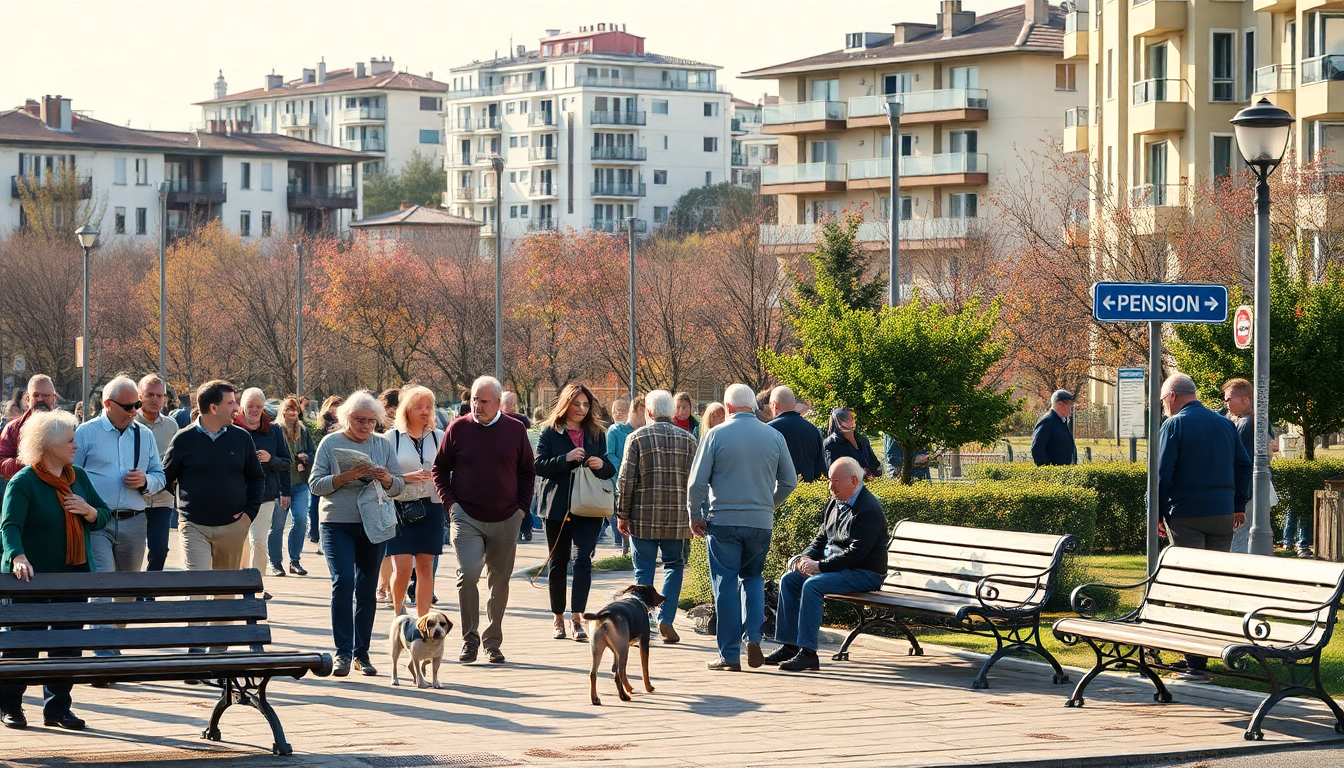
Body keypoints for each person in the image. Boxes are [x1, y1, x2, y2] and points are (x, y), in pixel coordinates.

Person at [0, 410, 111, 731]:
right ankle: (9, 704)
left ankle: (58, 708)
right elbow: (9, 527)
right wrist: (17, 556)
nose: (76, 446)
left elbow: (103, 515)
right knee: (24, 645)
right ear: (48, 446)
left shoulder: (78, 477)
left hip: (74, 574)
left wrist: (89, 511)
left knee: (68, 644)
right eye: (70, 441)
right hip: (30, 578)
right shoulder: (24, 482)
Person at [687, 383, 797, 671]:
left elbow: (697, 483)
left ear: (728, 407)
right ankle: (754, 636)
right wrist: (767, 504)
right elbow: (790, 481)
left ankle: (729, 653)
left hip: (723, 521)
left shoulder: (714, 435)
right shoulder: (774, 435)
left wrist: (696, 515)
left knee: (725, 585)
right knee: (753, 578)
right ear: (752, 406)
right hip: (760, 523)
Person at [432, 375, 535, 664]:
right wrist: (451, 505)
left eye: (483, 400)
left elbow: (528, 472)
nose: (477, 406)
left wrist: (521, 510)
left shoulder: (515, 430)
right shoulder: (458, 428)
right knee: (468, 576)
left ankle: (492, 641)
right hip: (466, 516)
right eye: (474, 399)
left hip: (506, 517)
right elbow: (440, 469)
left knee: (499, 582)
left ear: (499, 402)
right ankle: (469, 639)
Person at [1156, 373, 1251, 682]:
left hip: (1187, 514)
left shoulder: (1174, 425)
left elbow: (1163, 473)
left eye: (1162, 401)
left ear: (1172, 397)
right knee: (1212, 584)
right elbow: (1242, 465)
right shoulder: (1225, 424)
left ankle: (1194, 661)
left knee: (1190, 584)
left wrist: (1156, 513)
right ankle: (1203, 656)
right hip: (1223, 514)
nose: (1163, 407)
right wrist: (1238, 504)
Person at [309, 390, 404, 677]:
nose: (365, 426)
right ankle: (343, 653)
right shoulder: (330, 443)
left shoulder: (383, 445)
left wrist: (386, 478)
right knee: (343, 581)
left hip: (373, 523)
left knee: (366, 588)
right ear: (345, 418)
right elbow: (315, 484)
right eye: (359, 420)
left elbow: (398, 486)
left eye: (371, 421)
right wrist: (346, 476)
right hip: (337, 522)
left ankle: (362, 653)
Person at [767, 457, 888, 672]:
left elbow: (856, 555)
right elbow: (821, 538)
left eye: (835, 481)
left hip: (864, 573)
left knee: (813, 585)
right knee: (790, 580)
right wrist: (805, 559)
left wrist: (820, 567)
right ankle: (789, 645)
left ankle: (808, 653)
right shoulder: (836, 501)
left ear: (853, 481)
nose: (830, 487)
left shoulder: (868, 509)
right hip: (837, 568)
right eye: (829, 481)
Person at [74, 375, 166, 655]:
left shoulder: (144, 434)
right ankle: (103, 651)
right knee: (101, 584)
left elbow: (160, 476)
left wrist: (145, 482)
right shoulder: (85, 433)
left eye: (135, 405)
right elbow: (71, 476)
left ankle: (113, 643)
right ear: (107, 404)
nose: (133, 411)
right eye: (127, 406)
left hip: (135, 520)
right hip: (96, 521)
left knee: (126, 589)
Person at [534, 383, 616, 641]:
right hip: (557, 508)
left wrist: (601, 464)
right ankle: (558, 617)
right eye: (576, 404)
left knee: (582, 561)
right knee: (558, 563)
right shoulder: (550, 432)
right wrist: (565, 458)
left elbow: (609, 470)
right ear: (565, 404)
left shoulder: (596, 433)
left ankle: (577, 617)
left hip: (589, 508)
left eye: (586, 404)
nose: (581, 409)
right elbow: (538, 466)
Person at [162, 381, 264, 585]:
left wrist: (247, 516)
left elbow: (256, 478)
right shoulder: (183, 439)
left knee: (225, 592)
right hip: (194, 527)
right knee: (196, 586)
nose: (236, 408)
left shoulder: (242, 438)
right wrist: (187, 507)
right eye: (230, 403)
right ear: (214, 408)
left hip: (233, 527)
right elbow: (166, 477)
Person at [616, 390, 697, 643]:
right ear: (672, 412)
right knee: (674, 566)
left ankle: (643, 621)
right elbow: (696, 483)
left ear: (648, 412)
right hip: (678, 519)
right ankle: (666, 619)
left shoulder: (636, 438)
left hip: (643, 518)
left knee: (644, 570)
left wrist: (622, 513)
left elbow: (626, 480)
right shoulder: (688, 439)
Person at [386, 385, 446, 618]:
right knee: (401, 570)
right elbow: (382, 474)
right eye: (419, 407)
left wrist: (440, 479)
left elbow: (449, 471)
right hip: (401, 507)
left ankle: (422, 622)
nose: (425, 411)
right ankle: (399, 617)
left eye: (429, 407)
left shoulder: (439, 437)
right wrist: (405, 478)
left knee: (425, 567)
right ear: (407, 409)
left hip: (431, 506)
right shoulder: (392, 438)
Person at [235, 388, 291, 585]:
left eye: (258, 406)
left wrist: (270, 459)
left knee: (258, 541)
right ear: (242, 406)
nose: (254, 410)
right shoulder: (232, 427)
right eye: (250, 406)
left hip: (265, 494)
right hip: (236, 495)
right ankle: (237, 581)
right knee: (239, 542)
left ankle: (255, 585)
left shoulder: (273, 430)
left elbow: (286, 462)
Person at [1220, 378, 1280, 555]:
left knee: (1238, 533)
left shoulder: (1246, 423)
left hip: (1247, 489)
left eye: (1229, 399)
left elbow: (1240, 463)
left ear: (1245, 399)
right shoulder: (1258, 420)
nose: (1226, 403)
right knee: (1247, 533)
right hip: (1257, 487)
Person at [136, 375, 179, 574]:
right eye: (150, 395)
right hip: (134, 500)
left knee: (159, 549)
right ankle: (131, 593)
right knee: (132, 553)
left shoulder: (172, 427)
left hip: (162, 500)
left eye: (159, 396)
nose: (155, 400)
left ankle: (149, 593)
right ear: (139, 396)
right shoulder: (130, 424)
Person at [273, 396, 315, 575]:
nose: (291, 413)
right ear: (282, 411)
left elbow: (314, 452)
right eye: (288, 409)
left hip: (300, 484)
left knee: (300, 520)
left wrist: (307, 457)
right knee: (277, 525)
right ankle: (275, 562)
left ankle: (294, 560)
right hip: (280, 485)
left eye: (295, 409)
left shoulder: (303, 431)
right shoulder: (275, 430)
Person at [604, 396, 645, 549]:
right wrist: (624, 467)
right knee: (619, 509)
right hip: (618, 477)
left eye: (622, 409)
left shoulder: (643, 430)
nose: (619, 413)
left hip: (639, 478)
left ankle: (631, 544)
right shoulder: (616, 431)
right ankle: (621, 542)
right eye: (616, 410)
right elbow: (610, 454)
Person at [0, 375, 59, 480]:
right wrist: (28, 462)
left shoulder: (67, 427)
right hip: (24, 490)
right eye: (36, 395)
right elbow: (1, 463)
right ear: (28, 398)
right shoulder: (13, 428)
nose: (40, 399)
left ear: (54, 398)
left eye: (46, 395)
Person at [768, 386, 827, 483]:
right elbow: (820, 466)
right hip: (809, 490)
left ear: (775, 405)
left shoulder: (770, 430)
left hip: (780, 491)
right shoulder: (812, 430)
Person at [310, 395, 345, 546]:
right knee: (314, 503)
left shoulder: (344, 426)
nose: (335, 409)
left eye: (338, 405)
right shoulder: (319, 426)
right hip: (320, 467)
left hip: (338, 471)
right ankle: (314, 533)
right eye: (333, 405)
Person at [822, 407, 880, 479]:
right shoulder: (831, 444)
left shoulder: (862, 440)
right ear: (839, 422)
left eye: (853, 418)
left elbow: (874, 464)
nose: (852, 421)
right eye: (849, 419)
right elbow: (833, 471)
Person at [1031, 390, 1077, 466]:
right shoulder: (1047, 422)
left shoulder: (1063, 422)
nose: (1071, 408)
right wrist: (1047, 469)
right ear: (1060, 404)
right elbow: (1037, 448)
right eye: (1069, 404)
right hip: (1054, 474)